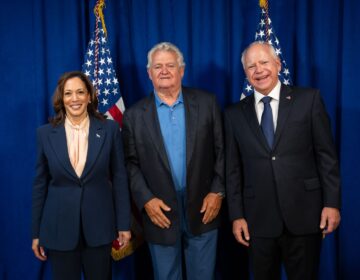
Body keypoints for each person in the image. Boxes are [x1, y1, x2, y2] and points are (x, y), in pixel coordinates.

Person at [225, 41, 341, 280]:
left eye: (264, 62)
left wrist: (332, 203)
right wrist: (236, 216)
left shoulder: (308, 100)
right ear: (245, 73)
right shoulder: (233, 114)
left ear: (277, 64)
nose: (259, 70)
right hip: (258, 220)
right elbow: (233, 170)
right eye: (251, 66)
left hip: (305, 214)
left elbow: (326, 156)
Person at [122, 42, 225, 280]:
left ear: (182, 70)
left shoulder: (207, 103)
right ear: (149, 73)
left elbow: (223, 150)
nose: (164, 71)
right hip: (160, 212)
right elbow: (130, 163)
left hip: (203, 208)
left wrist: (217, 192)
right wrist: (146, 199)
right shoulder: (134, 115)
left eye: (170, 65)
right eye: (157, 66)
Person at [31, 71, 131, 280]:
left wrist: (123, 224)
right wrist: (36, 233)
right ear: (61, 98)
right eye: (68, 94)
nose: (74, 99)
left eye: (80, 92)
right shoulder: (45, 133)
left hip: (99, 227)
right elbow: (40, 184)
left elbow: (120, 178)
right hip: (59, 228)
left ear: (89, 96)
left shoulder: (109, 129)